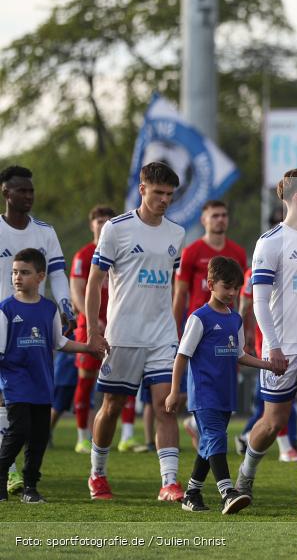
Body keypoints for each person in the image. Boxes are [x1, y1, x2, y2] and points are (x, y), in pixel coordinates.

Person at [85, 162, 186, 501]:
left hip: (161, 336)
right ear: (142, 189)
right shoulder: (115, 229)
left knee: (165, 406)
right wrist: (94, 332)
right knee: (112, 406)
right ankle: (97, 474)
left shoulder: (176, 233)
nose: (164, 200)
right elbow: (95, 281)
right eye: (158, 193)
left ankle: (169, 482)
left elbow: (172, 285)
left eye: (170, 194)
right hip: (124, 333)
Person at [236, 168, 297, 509]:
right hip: (282, 349)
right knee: (273, 421)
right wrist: (273, 345)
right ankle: (245, 477)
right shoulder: (270, 242)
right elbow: (259, 300)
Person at [165, 256, 276, 514]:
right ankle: (227, 492)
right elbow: (181, 356)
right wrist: (174, 392)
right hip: (204, 393)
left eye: (236, 287)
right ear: (211, 284)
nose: (232, 292)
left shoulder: (235, 319)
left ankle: (191, 494)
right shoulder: (199, 318)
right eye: (227, 286)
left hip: (226, 393)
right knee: (216, 439)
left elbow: (239, 354)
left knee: (208, 444)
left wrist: (267, 364)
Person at [0, 249, 101, 502]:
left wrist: (88, 347)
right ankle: (1, 477)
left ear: (40, 276)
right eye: (14, 272)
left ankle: (30, 488)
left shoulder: (49, 309)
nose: (17, 277)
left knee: (39, 437)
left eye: (24, 272)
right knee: (19, 430)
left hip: (42, 383)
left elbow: (59, 342)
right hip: (15, 383)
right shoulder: (5, 309)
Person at [0, 165, 77, 494]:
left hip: (32, 327)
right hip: (3, 324)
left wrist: (65, 305)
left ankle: (19, 472)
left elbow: (58, 273)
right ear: (6, 193)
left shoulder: (45, 232)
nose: (29, 196)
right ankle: (12, 472)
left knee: (29, 410)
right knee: (9, 405)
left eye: (31, 191)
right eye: (22, 191)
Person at [173, 200, 247, 450]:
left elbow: (243, 291)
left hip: (226, 327)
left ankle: (199, 427)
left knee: (223, 382)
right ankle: (200, 424)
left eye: (224, 215)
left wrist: (245, 323)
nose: (220, 219)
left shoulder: (236, 252)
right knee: (193, 386)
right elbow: (180, 292)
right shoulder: (192, 251)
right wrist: (176, 325)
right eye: (215, 215)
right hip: (200, 327)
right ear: (204, 219)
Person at [69, 205, 139, 454]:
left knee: (126, 380)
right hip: (90, 326)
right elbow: (77, 289)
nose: (103, 224)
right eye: (99, 220)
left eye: (108, 220)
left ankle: (128, 436)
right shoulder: (83, 255)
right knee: (86, 380)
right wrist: (91, 320)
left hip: (117, 325)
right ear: (92, 224)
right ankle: (82, 437)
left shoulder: (124, 249)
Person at [236, 265, 297, 462]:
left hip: (294, 341)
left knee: (273, 404)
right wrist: (241, 336)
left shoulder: (294, 269)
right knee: (276, 403)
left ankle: (248, 437)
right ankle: (284, 448)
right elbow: (244, 306)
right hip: (269, 345)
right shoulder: (253, 273)